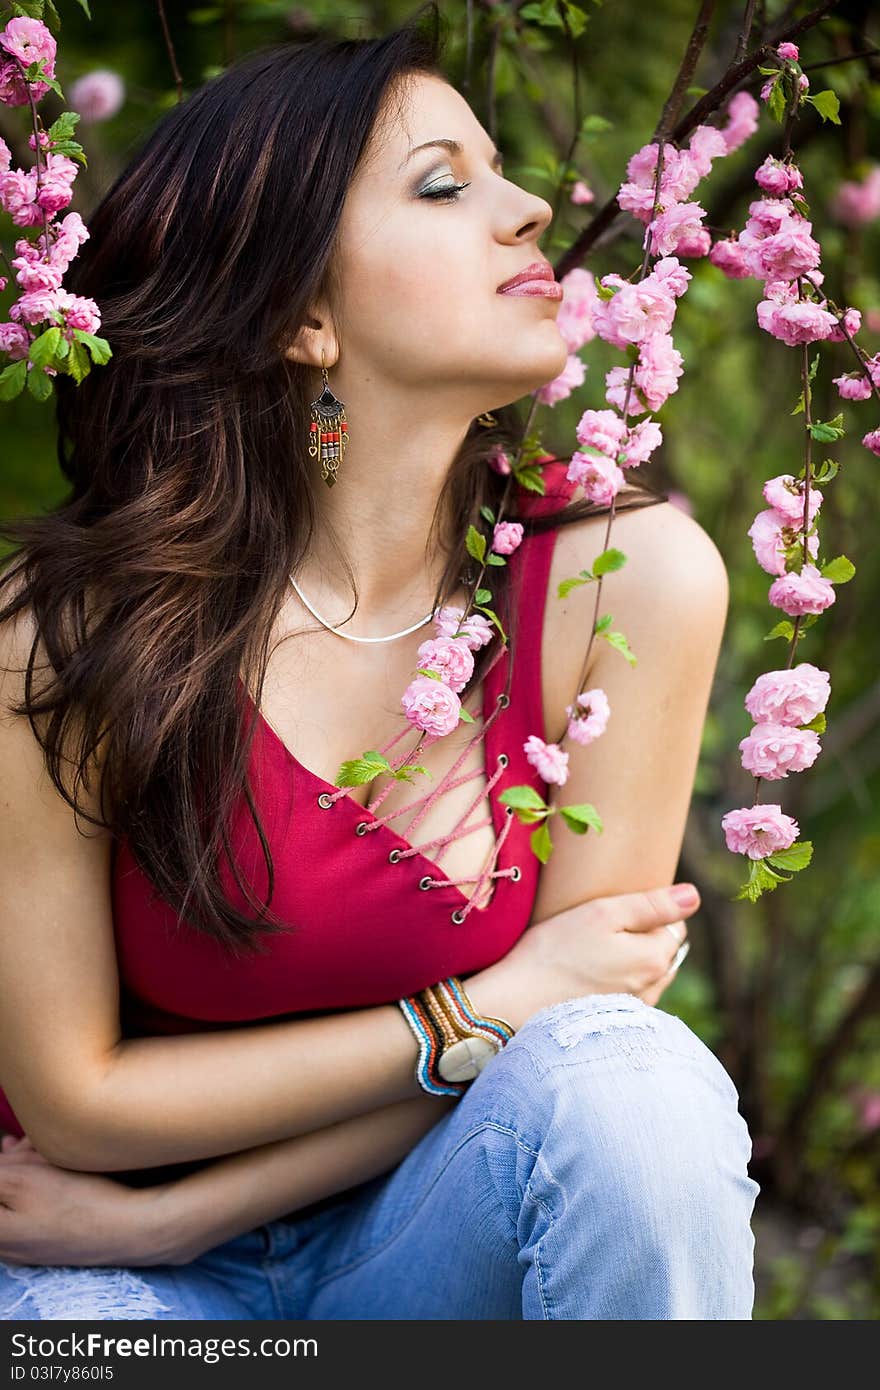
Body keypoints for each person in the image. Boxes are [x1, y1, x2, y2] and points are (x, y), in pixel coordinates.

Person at [0, 9, 759, 1320]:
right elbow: (77, 1101)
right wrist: (471, 1013)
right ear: (303, 317)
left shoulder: (625, 584)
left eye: (503, 170)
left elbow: (569, 1025)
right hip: (103, 1261)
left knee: (634, 1092)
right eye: (443, 185)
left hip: (432, 1221)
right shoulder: (66, 639)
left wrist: (193, 1206)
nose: (526, 211)